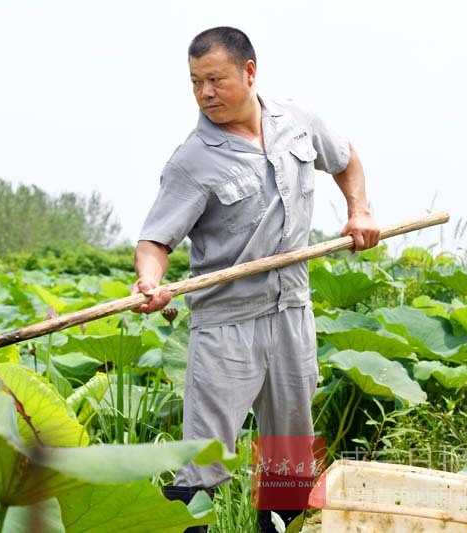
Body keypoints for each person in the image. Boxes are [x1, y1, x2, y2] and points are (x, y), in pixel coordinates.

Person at [131, 26, 380, 533]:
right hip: (227, 324)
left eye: (216, 80)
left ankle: (282, 528)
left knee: (289, 448)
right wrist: (149, 281)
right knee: (205, 454)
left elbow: (346, 157)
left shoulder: (298, 122)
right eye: (196, 82)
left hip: (292, 310)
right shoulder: (191, 161)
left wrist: (359, 212)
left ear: (249, 73)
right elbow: (154, 242)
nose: (205, 93)